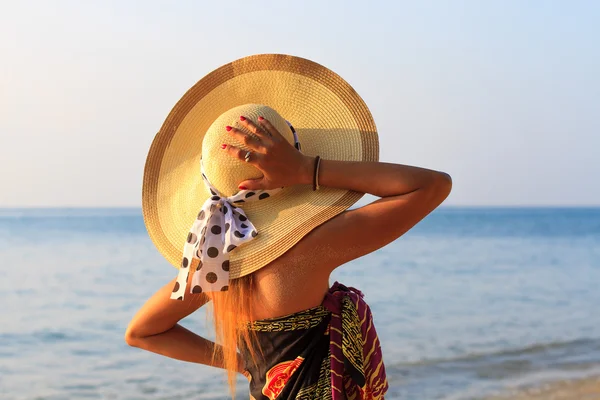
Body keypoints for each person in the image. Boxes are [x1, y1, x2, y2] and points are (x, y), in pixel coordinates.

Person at [125, 54, 452, 399]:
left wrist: (241, 363)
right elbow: (431, 186)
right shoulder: (310, 245)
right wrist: (307, 169)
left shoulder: (214, 266)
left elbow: (141, 332)